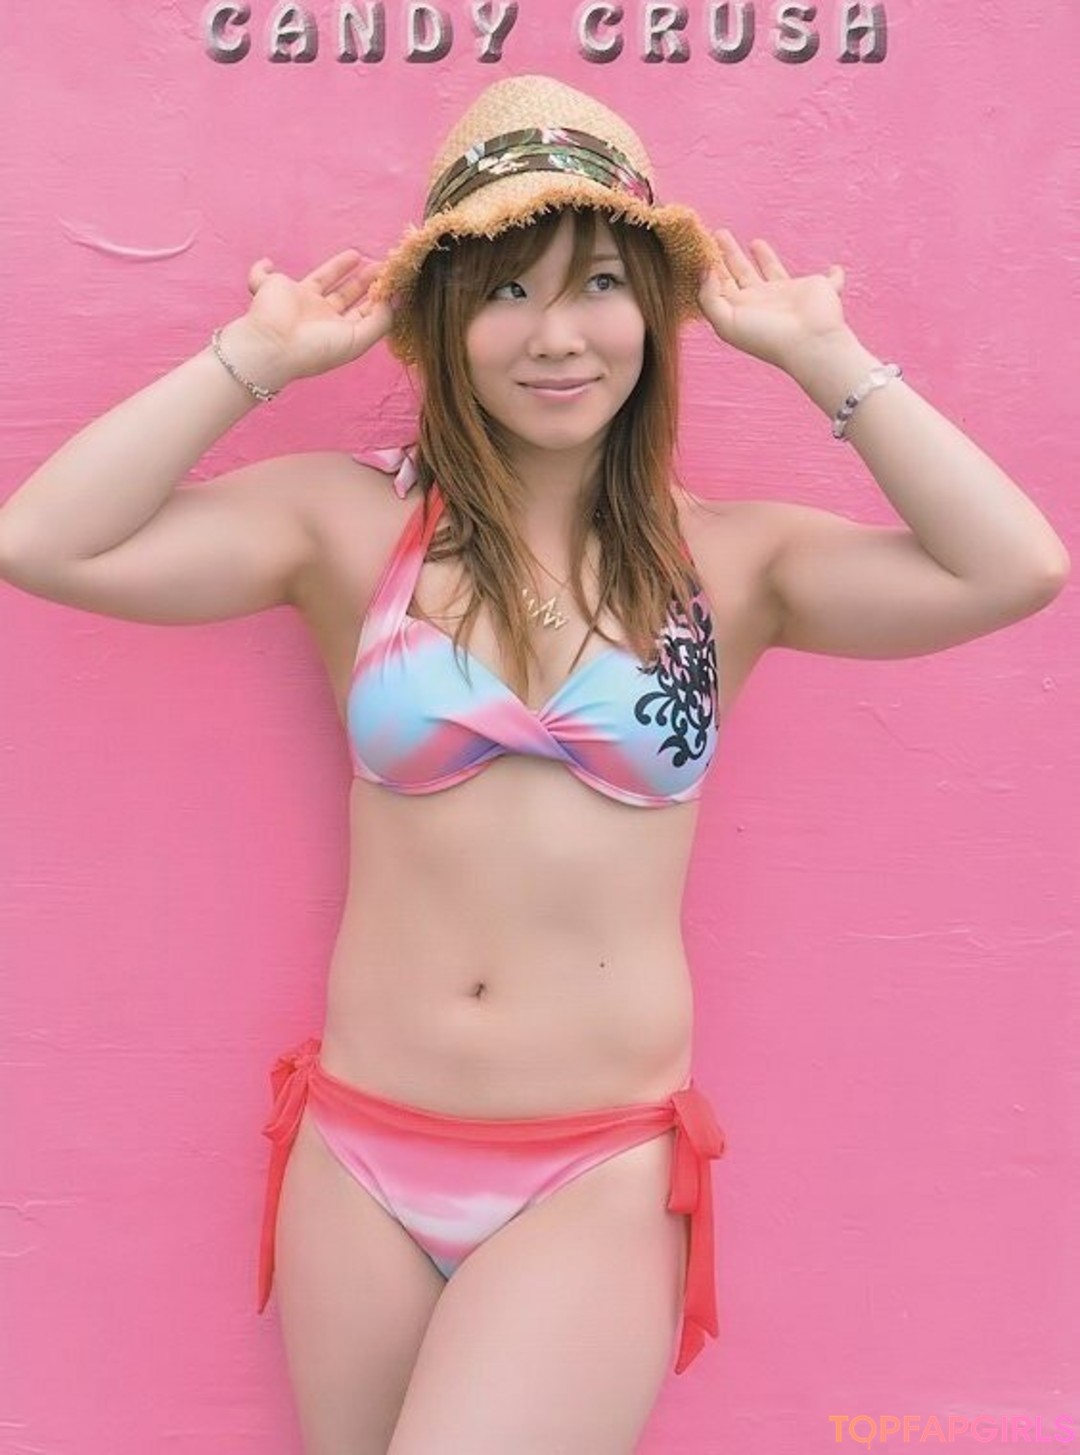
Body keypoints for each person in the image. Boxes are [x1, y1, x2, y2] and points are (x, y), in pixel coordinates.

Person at [0, 71, 1068, 1455]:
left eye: (599, 285)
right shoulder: (344, 530)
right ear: (444, 322)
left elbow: (1014, 567)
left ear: (655, 315)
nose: (555, 336)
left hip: (590, 1170)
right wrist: (252, 360)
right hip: (359, 1153)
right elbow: (44, 542)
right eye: (506, 292)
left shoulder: (736, 564)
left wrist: (824, 357)